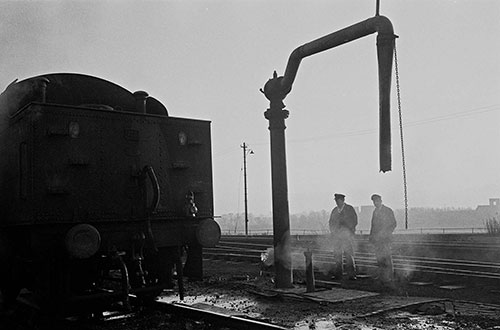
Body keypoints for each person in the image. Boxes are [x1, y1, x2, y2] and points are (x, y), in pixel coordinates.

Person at [369, 194, 397, 285]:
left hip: (385, 239)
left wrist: (385, 233)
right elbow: (373, 225)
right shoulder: (375, 212)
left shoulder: (388, 211)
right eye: (374, 202)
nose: (375, 203)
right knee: (379, 258)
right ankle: (382, 275)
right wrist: (372, 236)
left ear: (380, 201)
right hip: (377, 239)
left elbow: (393, 224)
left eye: (376, 201)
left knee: (387, 257)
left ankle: (390, 276)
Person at [329, 193, 358, 280]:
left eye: (338, 200)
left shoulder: (349, 209)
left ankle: (351, 274)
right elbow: (331, 223)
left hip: (347, 236)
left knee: (349, 255)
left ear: (342, 200)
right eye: (336, 201)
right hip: (337, 237)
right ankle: (338, 274)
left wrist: (348, 231)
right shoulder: (334, 211)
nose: (337, 202)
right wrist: (334, 232)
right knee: (337, 255)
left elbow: (354, 221)